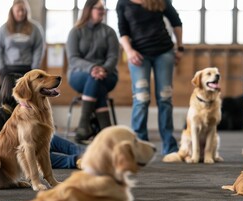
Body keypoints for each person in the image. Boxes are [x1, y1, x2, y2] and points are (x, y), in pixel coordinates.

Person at [116, 0, 183, 155]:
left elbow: (176, 22)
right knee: (141, 98)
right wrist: (129, 51)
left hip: (164, 52)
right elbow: (123, 31)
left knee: (165, 98)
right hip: (138, 54)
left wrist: (180, 47)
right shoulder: (123, 3)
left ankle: (169, 146)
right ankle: (139, 145)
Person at [0, 73, 84, 169]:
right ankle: (77, 160)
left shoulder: (30, 109)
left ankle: (89, 153)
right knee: (39, 156)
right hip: (20, 152)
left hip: (38, 141)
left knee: (60, 142)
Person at [66, 0, 119, 143]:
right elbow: (73, 58)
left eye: (104, 9)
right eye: (99, 8)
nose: (102, 11)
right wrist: (92, 68)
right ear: (89, 9)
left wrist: (104, 69)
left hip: (107, 74)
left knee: (96, 81)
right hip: (79, 74)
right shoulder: (75, 32)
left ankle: (84, 125)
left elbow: (113, 56)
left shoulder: (109, 32)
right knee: (95, 81)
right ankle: (106, 132)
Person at [0, 0, 45, 98]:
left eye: (23, 10)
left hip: (28, 68)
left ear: (27, 11)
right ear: (12, 11)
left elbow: (39, 48)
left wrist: (35, 67)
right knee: (7, 98)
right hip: (8, 69)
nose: (21, 13)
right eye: (18, 10)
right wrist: (1, 67)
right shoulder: (3, 29)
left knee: (28, 98)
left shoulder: (35, 29)